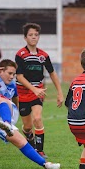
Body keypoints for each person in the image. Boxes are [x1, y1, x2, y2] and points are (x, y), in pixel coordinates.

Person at [0, 59, 60, 169]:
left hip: (8, 115)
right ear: (1, 71)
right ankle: (45, 164)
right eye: (10, 73)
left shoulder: (12, 85)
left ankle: (7, 123)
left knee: (1, 100)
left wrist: (15, 110)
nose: (12, 76)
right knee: (22, 143)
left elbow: (15, 98)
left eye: (14, 74)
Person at [15, 23, 64, 158]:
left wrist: (60, 93)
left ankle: (40, 151)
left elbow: (52, 73)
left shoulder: (43, 55)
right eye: (30, 35)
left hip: (38, 92)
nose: (33, 37)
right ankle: (30, 138)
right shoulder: (21, 55)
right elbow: (19, 76)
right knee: (27, 127)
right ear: (25, 37)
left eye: (36, 35)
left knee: (37, 118)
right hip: (23, 93)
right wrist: (33, 89)